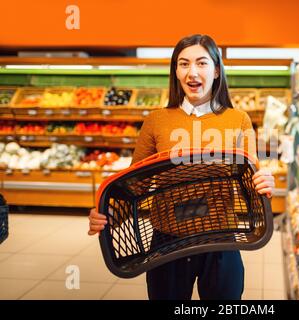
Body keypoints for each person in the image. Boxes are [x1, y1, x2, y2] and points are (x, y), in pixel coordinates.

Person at [88, 34, 275, 300]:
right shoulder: (156, 121)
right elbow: (132, 187)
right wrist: (105, 216)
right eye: (184, 64)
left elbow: (251, 180)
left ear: (216, 70)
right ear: (175, 71)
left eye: (201, 63)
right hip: (167, 242)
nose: (192, 72)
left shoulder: (239, 120)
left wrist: (265, 183)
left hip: (221, 240)